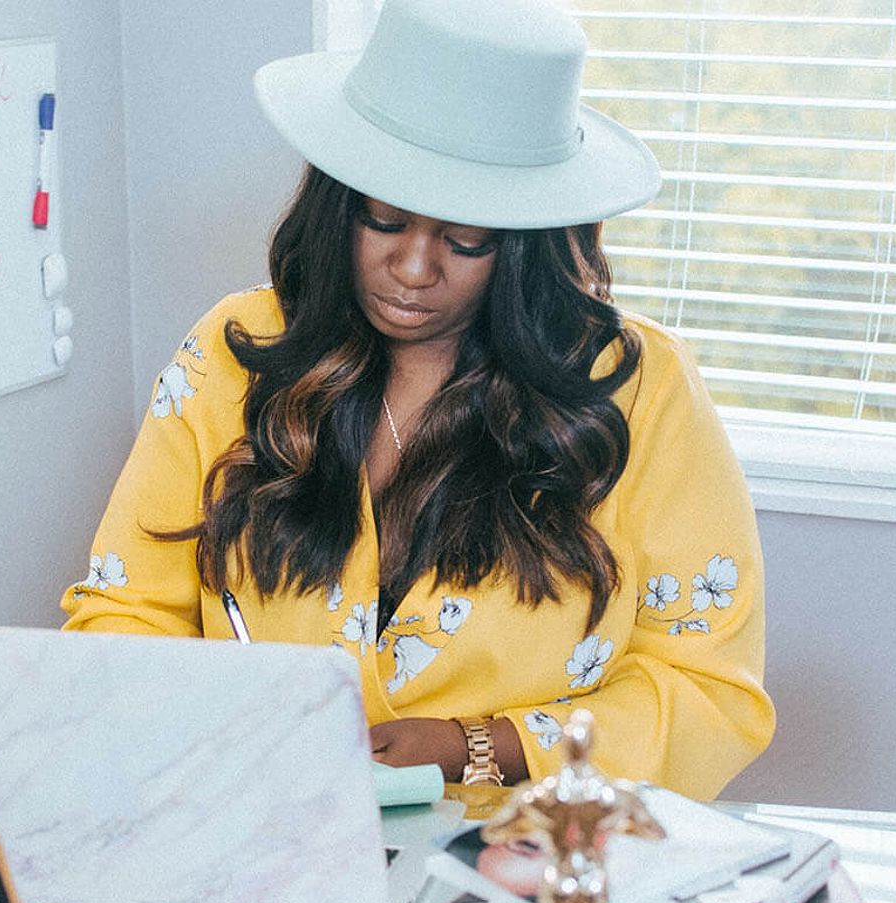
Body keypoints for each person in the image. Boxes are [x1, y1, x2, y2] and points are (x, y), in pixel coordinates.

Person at [62, 0, 775, 801]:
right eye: (386, 220)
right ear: (340, 204)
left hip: (516, 859)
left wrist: (474, 746)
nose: (413, 267)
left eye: (466, 239)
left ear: (528, 239)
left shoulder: (634, 389)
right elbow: (123, 617)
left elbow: (710, 690)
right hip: (255, 820)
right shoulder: (235, 352)